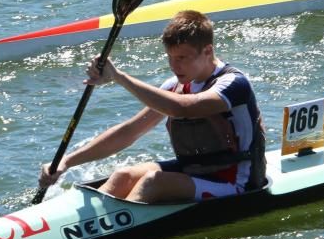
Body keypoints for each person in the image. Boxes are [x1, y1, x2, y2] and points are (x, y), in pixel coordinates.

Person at [38, 10, 266, 203]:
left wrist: (119, 77)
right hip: (196, 171)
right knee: (122, 175)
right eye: (170, 57)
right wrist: (66, 162)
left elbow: (183, 108)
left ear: (208, 51)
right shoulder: (174, 86)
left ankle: (111, 238)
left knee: (152, 181)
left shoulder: (233, 83)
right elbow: (129, 131)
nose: (174, 66)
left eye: (182, 58)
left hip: (238, 184)